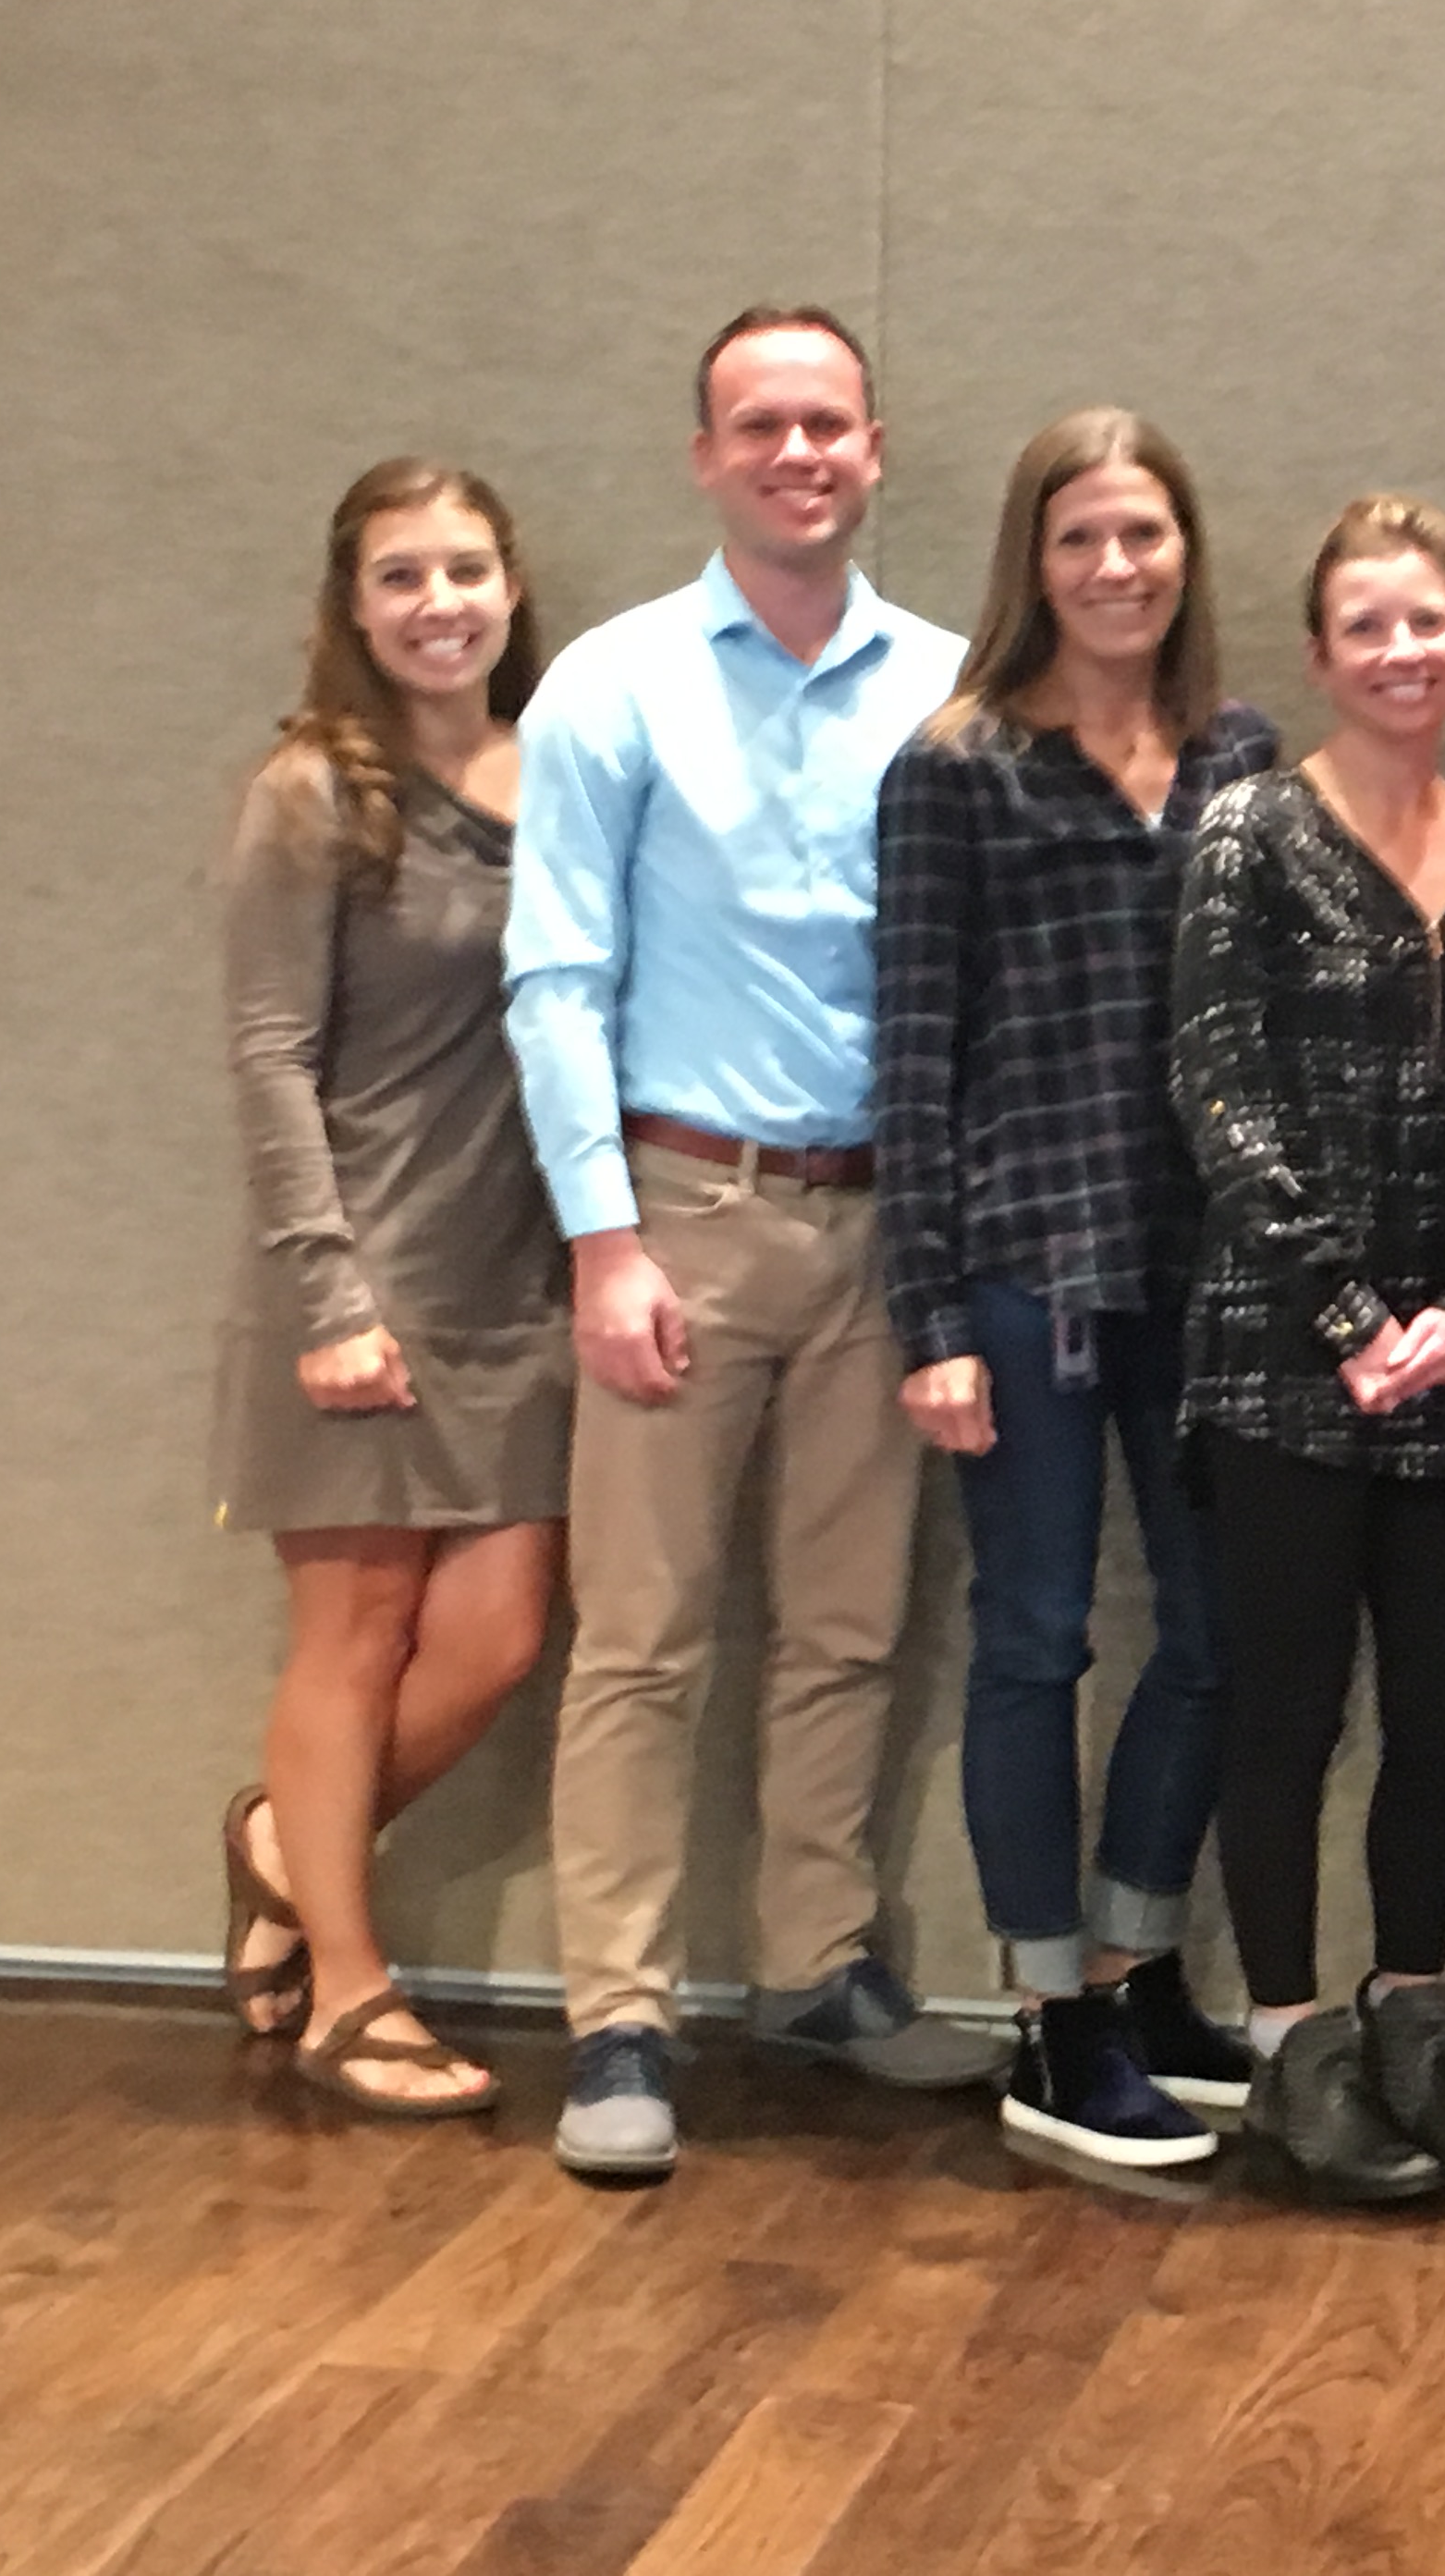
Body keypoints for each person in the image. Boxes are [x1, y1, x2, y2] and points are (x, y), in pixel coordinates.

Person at [507, 304, 1003, 2182]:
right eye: (761, 425)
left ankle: (815, 1967)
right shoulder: (613, 684)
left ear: (876, 449)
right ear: (706, 456)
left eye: (828, 424)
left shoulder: (950, 691)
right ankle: (618, 2019)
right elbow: (557, 979)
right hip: (681, 1221)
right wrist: (602, 1242)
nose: (799, 453)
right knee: (641, 1642)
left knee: (850, 1630)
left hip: (889, 1229)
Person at [874, 408, 1274, 2183]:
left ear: (1185, 552)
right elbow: (912, 1055)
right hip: (1023, 1270)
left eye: (1144, 535)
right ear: (1033, 564)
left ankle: (1134, 1970)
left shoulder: (1239, 754)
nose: (1117, 567)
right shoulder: (956, 766)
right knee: (1037, 1636)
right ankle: (1047, 2016)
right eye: (1081, 539)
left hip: (1205, 1276)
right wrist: (928, 1321)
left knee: (1216, 1637)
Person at [1170, 497, 1445, 2202]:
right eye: (1367, 626)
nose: (1402, 651)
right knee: (1289, 1714)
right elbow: (1220, 1095)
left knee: (1444, 1715)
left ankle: (1411, 2028)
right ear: (1319, 656)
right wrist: (1349, 1316)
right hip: (1279, 1361)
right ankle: (1291, 2046)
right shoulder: (1248, 831)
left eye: (1426, 621)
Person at [213, 459, 572, 2118]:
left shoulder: (563, 772)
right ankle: (352, 1995)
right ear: (352, 608)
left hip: (525, 1286)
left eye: (466, 571)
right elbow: (270, 1057)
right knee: (353, 1640)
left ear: (512, 588)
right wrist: (328, 1296)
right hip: (361, 1279)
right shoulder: (313, 793)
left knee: (495, 1642)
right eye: (403, 576)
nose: (441, 604)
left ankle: (280, 1849)